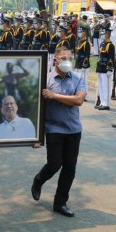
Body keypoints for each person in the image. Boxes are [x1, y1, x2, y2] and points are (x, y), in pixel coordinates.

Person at [31, 46, 86, 218]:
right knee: (55, 164)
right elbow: (36, 108)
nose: (67, 61)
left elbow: (78, 100)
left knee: (70, 167)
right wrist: (36, 136)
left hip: (73, 129)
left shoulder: (77, 78)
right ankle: (39, 179)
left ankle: (60, 202)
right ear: (55, 60)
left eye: (69, 58)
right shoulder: (45, 80)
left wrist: (55, 96)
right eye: (63, 58)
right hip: (53, 128)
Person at [95, 27, 115, 110]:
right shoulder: (102, 44)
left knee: (106, 86)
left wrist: (109, 69)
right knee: (101, 86)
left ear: (108, 35)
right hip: (100, 66)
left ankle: (106, 103)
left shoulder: (110, 45)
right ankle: (102, 102)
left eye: (104, 34)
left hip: (106, 68)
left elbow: (111, 58)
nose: (102, 35)